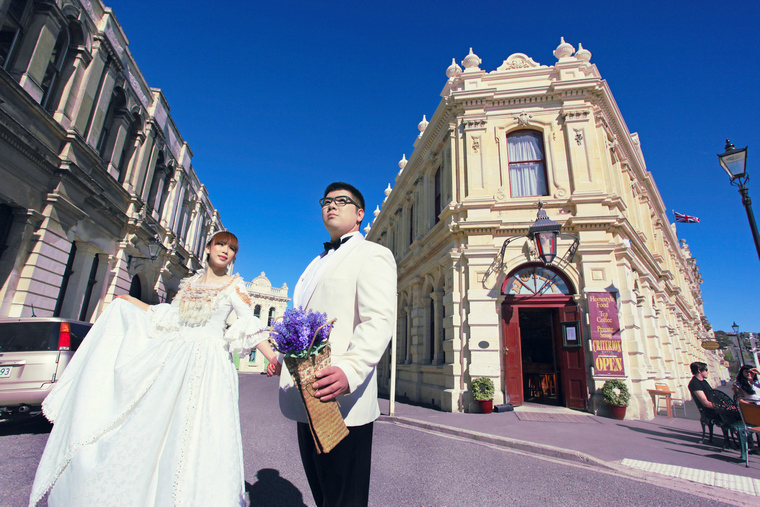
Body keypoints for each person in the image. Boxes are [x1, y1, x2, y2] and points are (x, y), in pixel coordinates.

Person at [29, 231, 278, 506]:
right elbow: (168, 317)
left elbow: (252, 327)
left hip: (209, 364)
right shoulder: (189, 283)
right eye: (220, 244)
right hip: (175, 360)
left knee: (200, 429)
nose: (225, 251)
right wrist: (130, 301)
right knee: (156, 424)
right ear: (208, 248)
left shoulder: (235, 286)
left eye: (231, 249)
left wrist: (273, 358)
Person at [278, 182, 396, 507]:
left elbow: (379, 321)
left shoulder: (374, 254)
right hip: (308, 397)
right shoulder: (314, 263)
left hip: (344, 399)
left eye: (342, 201)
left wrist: (350, 369)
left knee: (346, 499)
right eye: (327, 201)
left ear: (359, 214)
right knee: (324, 495)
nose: (332, 205)